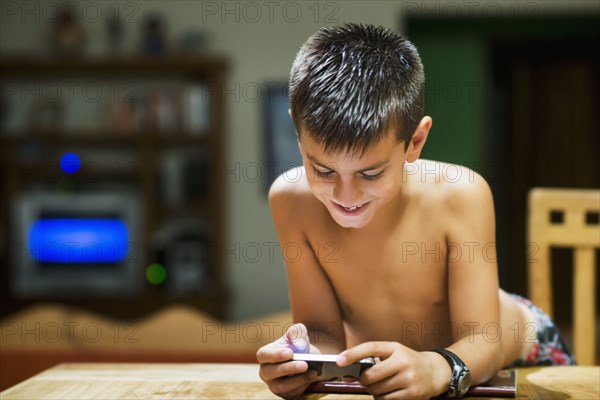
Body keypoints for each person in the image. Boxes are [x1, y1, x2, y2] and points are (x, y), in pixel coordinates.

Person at [256, 23, 575, 400]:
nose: (345, 194)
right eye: (322, 170)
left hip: (517, 357)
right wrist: (301, 362)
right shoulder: (290, 199)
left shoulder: (460, 193)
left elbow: (485, 341)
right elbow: (324, 333)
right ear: (297, 128)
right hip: (414, 375)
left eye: (370, 173)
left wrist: (438, 366)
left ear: (415, 142)